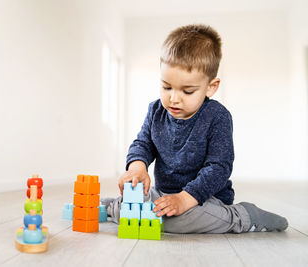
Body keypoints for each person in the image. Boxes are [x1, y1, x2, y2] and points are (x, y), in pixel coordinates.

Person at [102, 24, 288, 233]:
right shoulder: (156, 110)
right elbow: (142, 144)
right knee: (149, 207)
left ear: (211, 87)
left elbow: (219, 168)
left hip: (204, 200)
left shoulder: (217, 117)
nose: (173, 98)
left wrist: (184, 199)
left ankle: (243, 216)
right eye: (166, 87)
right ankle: (122, 206)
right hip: (164, 195)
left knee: (176, 221)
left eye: (187, 91)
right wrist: (137, 168)